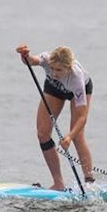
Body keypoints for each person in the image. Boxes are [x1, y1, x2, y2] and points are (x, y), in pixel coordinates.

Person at [16, 44, 94, 191]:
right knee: (42, 134)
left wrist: (69, 137)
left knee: (77, 135)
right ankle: (58, 183)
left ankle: (90, 183)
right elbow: (31, 61)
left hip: (77, 91)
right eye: (52, 68)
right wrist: (25, 55)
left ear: (68, 67)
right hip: (55, 88)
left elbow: (82, 117)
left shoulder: (77, 78)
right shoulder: (47, 60)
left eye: (59, 70)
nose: (54, 73)